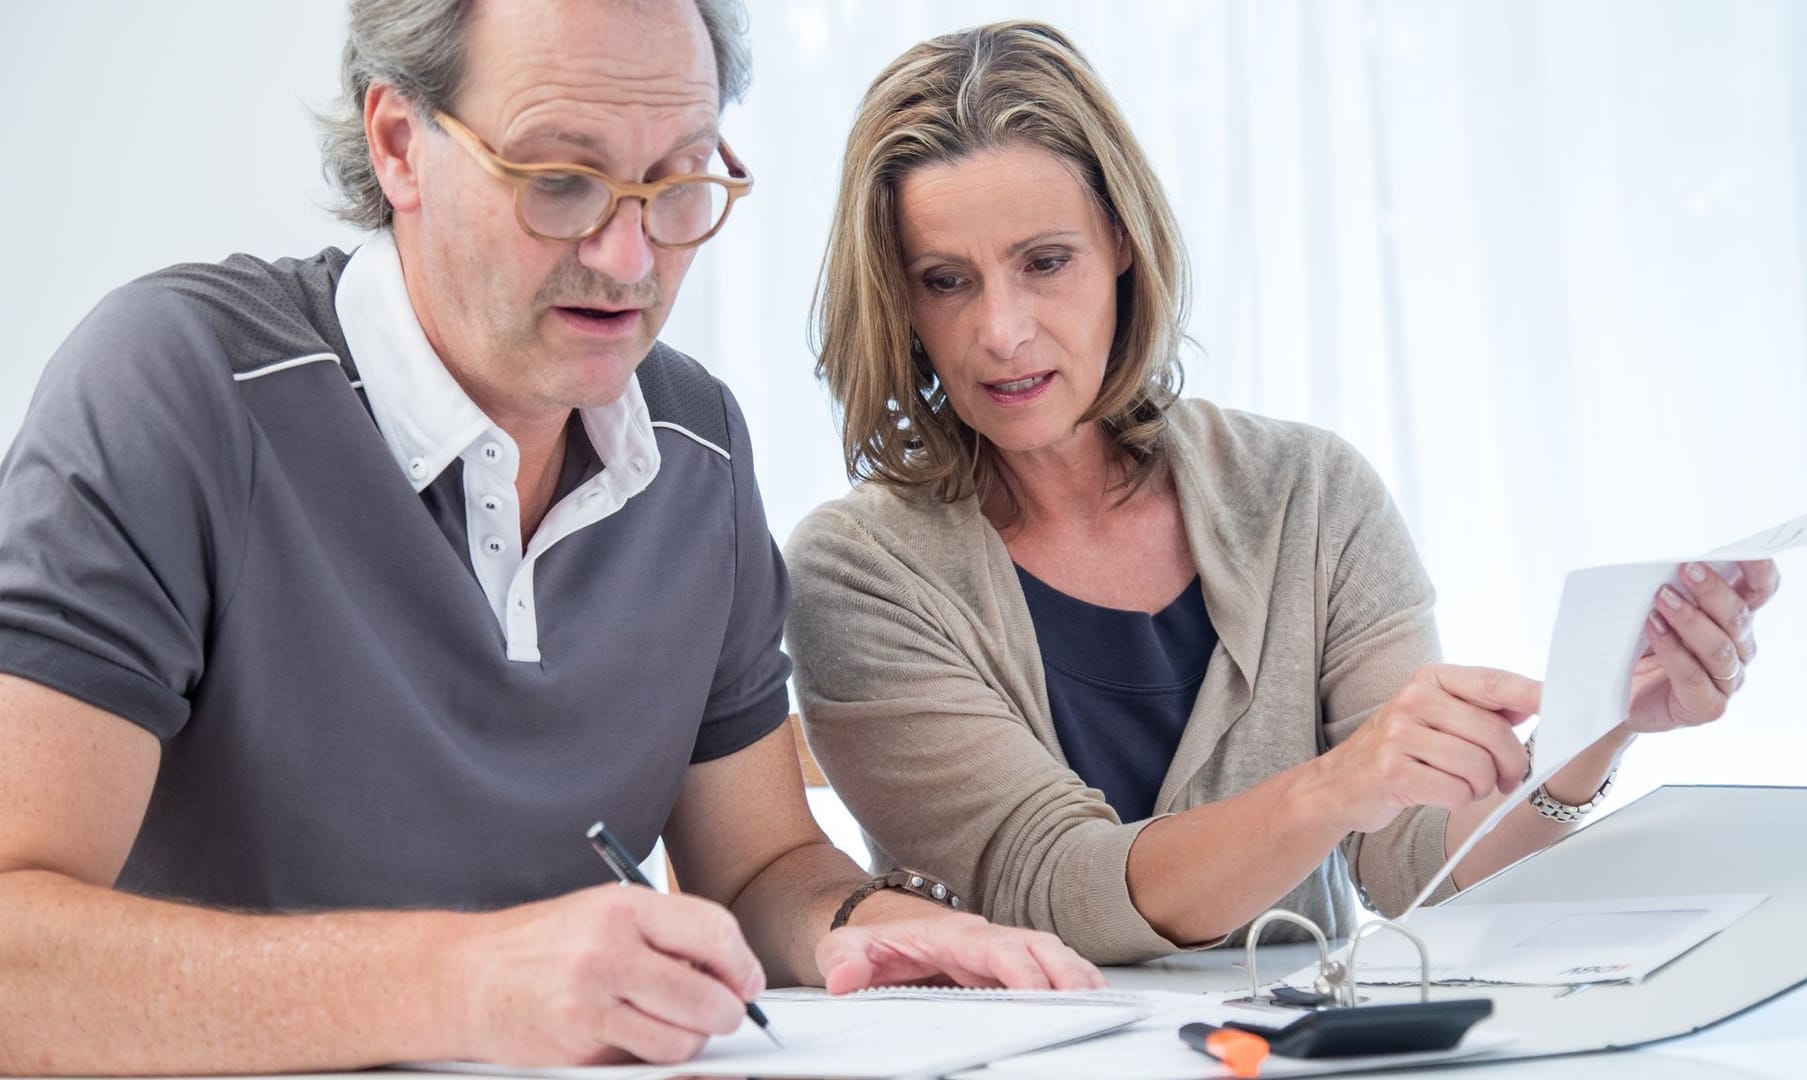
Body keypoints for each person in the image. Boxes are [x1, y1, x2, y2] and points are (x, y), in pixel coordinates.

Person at [0, 2, 1103, 1074]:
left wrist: (862, 925)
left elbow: (759, 864)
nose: (630, 260)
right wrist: (465, 983)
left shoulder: (695, 442)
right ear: (399, 144)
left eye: (676, 184)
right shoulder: (179, 387)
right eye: (560, 180)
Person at [787, 20, 1781, 966]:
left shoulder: (1311, 494)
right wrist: (1332, 789)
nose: (1002, 330)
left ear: (1123, 245)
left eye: (1046, 262)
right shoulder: (859, 573)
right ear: (898, 298)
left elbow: (1411, 864)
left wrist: (1601, 722)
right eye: (946, 280)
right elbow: (1054, 889)